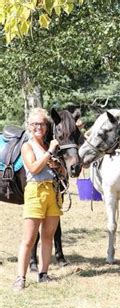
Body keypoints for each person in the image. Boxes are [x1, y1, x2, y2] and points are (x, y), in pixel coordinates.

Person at [12, 108, 63, 291]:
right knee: (29, 238)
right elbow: (33, 168)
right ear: (29, 126)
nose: (38, 127)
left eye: (41, 123)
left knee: (48, 236)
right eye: (34, 124)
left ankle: (43, 273)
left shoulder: (49, 145)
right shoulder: (28, 146)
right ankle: (20, 277)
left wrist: (57, 165)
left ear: (46, 126)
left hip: (52, 192)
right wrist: (49, 152)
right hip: (35, 192)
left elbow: (62, 172)